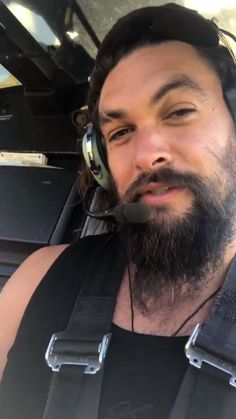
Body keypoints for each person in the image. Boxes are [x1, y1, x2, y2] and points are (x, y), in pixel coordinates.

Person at [0, 3, 236, 419]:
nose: (147, 155)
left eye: (179, 111)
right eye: (122, 132)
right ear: (100, 161)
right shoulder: (37, 279)